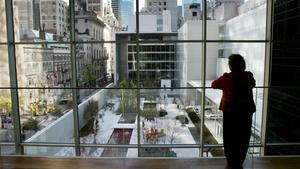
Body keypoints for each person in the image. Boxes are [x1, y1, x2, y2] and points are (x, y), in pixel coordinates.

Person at [211, 54, 256, 169]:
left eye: (229, 63)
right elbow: (252, 84)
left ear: (232, 65)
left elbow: (213, 84)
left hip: (231, 112)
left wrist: (225, 80)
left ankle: (231, 161)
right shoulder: (248, 76)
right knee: (243, 136)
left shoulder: (227, 78)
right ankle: (239, 161)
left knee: (230, 137)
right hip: (246, 111)